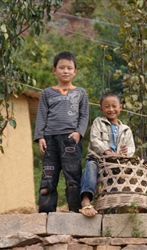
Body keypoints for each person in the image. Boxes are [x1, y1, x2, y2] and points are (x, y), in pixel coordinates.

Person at [34, 51, 89, 213]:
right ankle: (46, 211)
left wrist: (79, 132)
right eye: (62, 67)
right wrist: (40, 137)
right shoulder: (47, 93)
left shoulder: (80, 93)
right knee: (48, 176)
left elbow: (85, 115)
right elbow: (41, 115)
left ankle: (75, 211)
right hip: (49, 140)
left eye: (69, 68)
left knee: (73, 177)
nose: (65, 71)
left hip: (71, 140)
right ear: (54, 70)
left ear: (75, 71)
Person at [79, 92, 135, 217]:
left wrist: (126, 153)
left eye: (114, 106)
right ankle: (86, 199)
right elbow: (94, 140)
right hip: (97, 158)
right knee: (90, 168)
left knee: (116, 181)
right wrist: (107, 151)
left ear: (121, 107)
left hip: (116, 163)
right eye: (107, 106)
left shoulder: (126, 129)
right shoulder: (98, 122)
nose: (111, 109)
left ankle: (111, 207)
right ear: (101, 109)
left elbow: (131, 147)